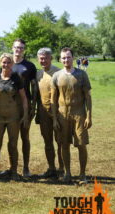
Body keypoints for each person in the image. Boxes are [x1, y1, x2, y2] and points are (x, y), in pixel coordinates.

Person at [51, 47, 92, 184]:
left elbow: (88, 96)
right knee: (64, 144)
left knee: (81, 145)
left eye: (68, 57)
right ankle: (67, 172)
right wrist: (55, 119)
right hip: (62, 115)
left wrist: (89, 116)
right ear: (60, 59)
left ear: (73, 58)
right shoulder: (56, 76)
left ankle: (82, 174)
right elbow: (53, 100)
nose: (65, 60)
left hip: (79, 113)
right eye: (63, 57)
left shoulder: (81, 74)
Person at [0, 53, 28, 181]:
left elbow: (23, 98)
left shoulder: (17, 79)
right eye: (4, 62)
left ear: (12, 64)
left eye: (8, 62)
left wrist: (25, 114)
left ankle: (14, 171)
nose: (6, 65)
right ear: (0, 63)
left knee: (13, 144)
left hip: (13, 117)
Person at [9, 38, 37, 178]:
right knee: (12, 138)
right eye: (16, 47)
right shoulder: (8, 64)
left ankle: (26, 167)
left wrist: (34, 106)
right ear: (12, 48)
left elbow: (34, 86)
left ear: (24, 50)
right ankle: (12, 166)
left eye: (21, 48)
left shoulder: (29, 66)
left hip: (26, 106)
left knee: (25, 137)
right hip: (11, 107)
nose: (18, 50)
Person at [35, 48, 63, 178]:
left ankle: (63, 169)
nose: (43, 60)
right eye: (41, 58)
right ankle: (51, 168)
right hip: (43, 112)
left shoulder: (59, 72)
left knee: (61, 142)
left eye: (46, 58)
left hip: (59, 112)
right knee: (47, 142)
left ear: (51, 58)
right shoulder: (38, 74)